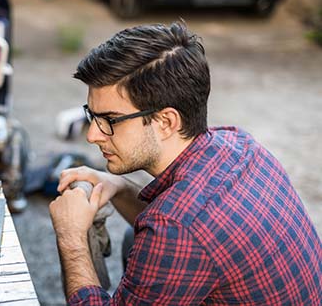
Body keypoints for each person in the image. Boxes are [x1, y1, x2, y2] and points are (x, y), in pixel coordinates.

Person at [49, 22, 322, 305]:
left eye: (109, 120)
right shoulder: (239, 145)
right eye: (91, 116)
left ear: (166, 121)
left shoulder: (175, 228)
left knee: (140, 242)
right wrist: (118, 187)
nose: (93, 135)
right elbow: (182, 225)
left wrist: (72, 237)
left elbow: (178, 228)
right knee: (136, 239)